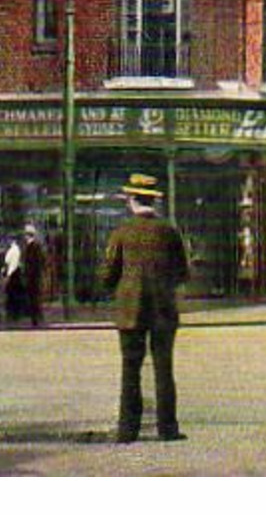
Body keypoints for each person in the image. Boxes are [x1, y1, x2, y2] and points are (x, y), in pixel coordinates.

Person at [100, 172, 190, 444]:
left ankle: (128, 429)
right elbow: (183, 272)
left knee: (131, 370)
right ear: (153, 200)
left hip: (130, 312)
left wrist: (116, 287)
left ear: (131, 200)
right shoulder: (170, 232)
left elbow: (108, 275)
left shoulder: (122, 233)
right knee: (164, 369)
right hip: (163, 310)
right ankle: (168, 428)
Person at [20, 224, 47, 326]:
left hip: (33, 276)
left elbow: (36, 262)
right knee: (34, 297)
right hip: (34, 276)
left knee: (34, 297)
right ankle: (36, 317)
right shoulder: (33, 246)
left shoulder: (34, 247)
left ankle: (36, 318)